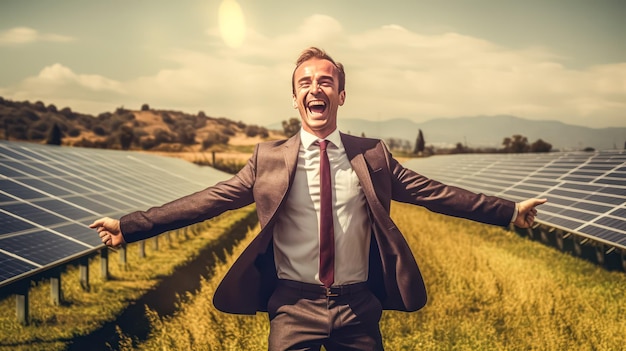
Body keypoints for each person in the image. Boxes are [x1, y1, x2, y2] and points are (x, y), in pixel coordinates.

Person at [90, 47, 547, 351]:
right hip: (292, 307)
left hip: (358, 308)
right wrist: (130, 226)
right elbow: (209, 200)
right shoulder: (267, 160)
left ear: (340, 94)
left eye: (326, 81)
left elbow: (435, 193)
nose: (316, 88)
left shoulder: (372, 155)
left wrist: (508, 211)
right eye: (305, 82)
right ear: (295, 98)